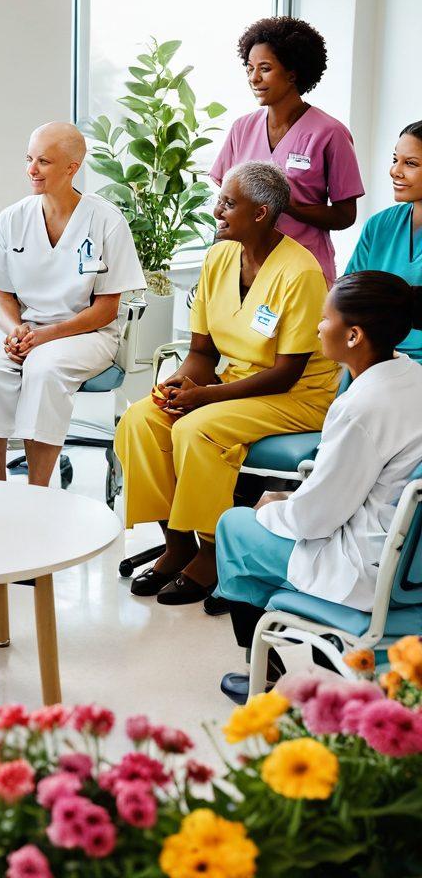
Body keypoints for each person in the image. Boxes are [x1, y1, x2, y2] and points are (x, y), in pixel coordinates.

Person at [115, 161, 340, 605]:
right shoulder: (218, 257)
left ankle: (215, 553)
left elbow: (286, 372)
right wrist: (178, 386)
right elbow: (202, 352)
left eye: (227, 203)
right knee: (143, 417)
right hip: (231, 383)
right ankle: (177, 543)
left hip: (296, 395)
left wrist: (204, 398)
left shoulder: (301, 273)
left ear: (260, 213)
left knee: (197, 428)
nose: (216, 210)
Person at [215, 272, 422, 703]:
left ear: (353, 335)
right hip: (412, 566)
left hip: (368, 571)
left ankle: (269, 676)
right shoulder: (412, 377)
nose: (317, 327)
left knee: (235, 527)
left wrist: (272, 505)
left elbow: (316, 518)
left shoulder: (364, 407)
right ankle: (326, 664)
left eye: (324, 319)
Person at [0, 121, 146, 486]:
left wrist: (44, 337)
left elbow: (106, 310)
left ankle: (37, 493)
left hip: (85, 331)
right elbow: (2, 295)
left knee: (44, 370)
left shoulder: (106, 221)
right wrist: (15, 332)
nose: (31, 170)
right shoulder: (13, 218)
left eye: (43, 161)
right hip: (22, 326)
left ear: (71, 168)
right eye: (29, 159)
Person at [211, 16, 364, 285]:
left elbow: (344, 215)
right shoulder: (241, 128)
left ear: (293, 73)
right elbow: (226, 206)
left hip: (302, 270)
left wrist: (289, 206)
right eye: (249, 69)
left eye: (265, 68)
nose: (254, 78)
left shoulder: (330, 133)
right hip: (244, 270)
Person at [344, 120, 422, 361]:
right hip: (372, 357)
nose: (395, 171)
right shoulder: (379, 225)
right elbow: (348, 295)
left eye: (410, 163)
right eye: (395, 159)